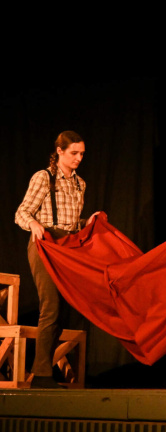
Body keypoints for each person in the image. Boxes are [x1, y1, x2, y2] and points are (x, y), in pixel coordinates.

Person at [15, 131, 99, 388]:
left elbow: (71, 223)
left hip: (67, 247)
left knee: (64, 311)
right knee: (50, 307)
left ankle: (45, 370)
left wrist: (87, 222)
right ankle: (41, 375)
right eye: (74, 153)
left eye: (82, 154)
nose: (79, 158)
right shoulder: (44, 177)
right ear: (60, 151)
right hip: (45, 244)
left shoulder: (80, 184)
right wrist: (33, 224)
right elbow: (22, 212)